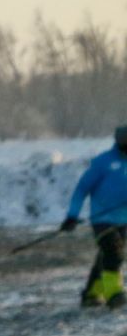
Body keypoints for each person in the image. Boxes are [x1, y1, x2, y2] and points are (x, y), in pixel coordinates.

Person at [59, 124, 127, 309]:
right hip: (102, 220)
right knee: (114, 254)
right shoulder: (102, 163)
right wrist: (72, 216)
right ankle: (114, 293)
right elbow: (81, 189)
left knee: (105, 256)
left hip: (124, 221)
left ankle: (91, 294)